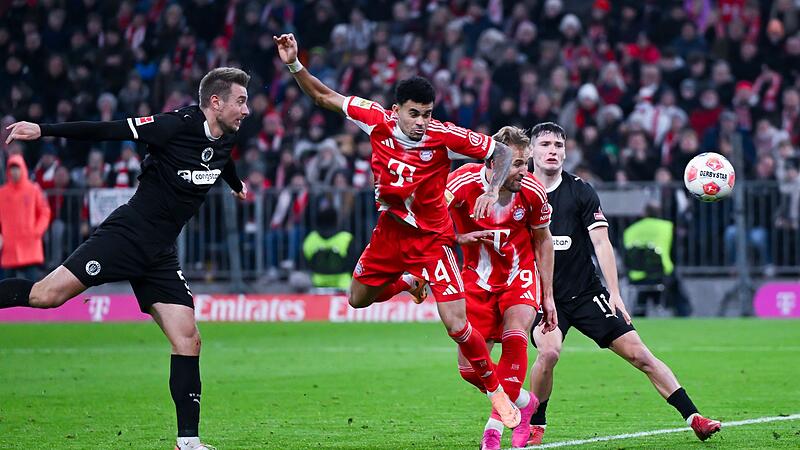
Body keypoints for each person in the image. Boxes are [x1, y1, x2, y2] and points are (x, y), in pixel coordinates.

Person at [273, 33, 521, 427]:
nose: (422, 123)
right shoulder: (375, 119)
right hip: (389, 235)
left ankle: (497, 394)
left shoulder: (445, 134)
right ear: (397, 110)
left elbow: (502, 151)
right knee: (356, 299)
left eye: (427, 114)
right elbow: (323, 96)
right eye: (414, 114)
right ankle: (408, 282)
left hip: (432, 240)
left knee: (457, 324)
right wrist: (293, 64)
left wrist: (492, 190)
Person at [1, 67, 251, 450]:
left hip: (160, 254)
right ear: (215, 102)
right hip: (127, 236)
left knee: (188, 338)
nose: (246, 109)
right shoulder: (173, 125)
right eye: (240, 100)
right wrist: (44, 130)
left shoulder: (224, 138)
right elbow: (108, 129)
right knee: (44, 296)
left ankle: (188, 442)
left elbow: (221, 161)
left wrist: (235, 184)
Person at [525, 122, 721, 445]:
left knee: (640, 355)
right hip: (543, 297)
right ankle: (537, 422)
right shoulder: (521, 191)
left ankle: (694, 417)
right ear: (531, 150)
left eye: (558, 146)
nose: (552, 151)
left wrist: (614, 293)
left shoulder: (581, 191)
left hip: (587, 293)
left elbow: (602, 244)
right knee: (549, 353)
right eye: (545, 144)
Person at [445, 126, 557, 450]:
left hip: (518, 274)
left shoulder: (533, 191)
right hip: (476, 278)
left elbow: (543, 240)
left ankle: (494, 430)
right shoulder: (462, 183)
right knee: (468, 370)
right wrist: (457, 238)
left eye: (525, 163)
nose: (523, 171)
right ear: (493, 162)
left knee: (515, 338)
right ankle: (524, 403)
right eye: (516, 163)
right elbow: (430, 221)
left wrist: (548, 296)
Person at [0, 154, 51, 280]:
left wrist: (37, 231)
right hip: (9, 247)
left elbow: (45, 212)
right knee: (6, 288)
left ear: (23, 168)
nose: (14, 171)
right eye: (12, 168)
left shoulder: (33, 189)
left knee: (31, 288)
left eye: (17, 168)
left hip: (30, 246)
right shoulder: (2, 192)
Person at [302, 208, 356, 290]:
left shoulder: (310, 239)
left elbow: (305, 264)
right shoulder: (346, 238)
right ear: (336, 220)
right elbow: (354, 264)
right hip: (343, 286)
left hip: (317, 285)